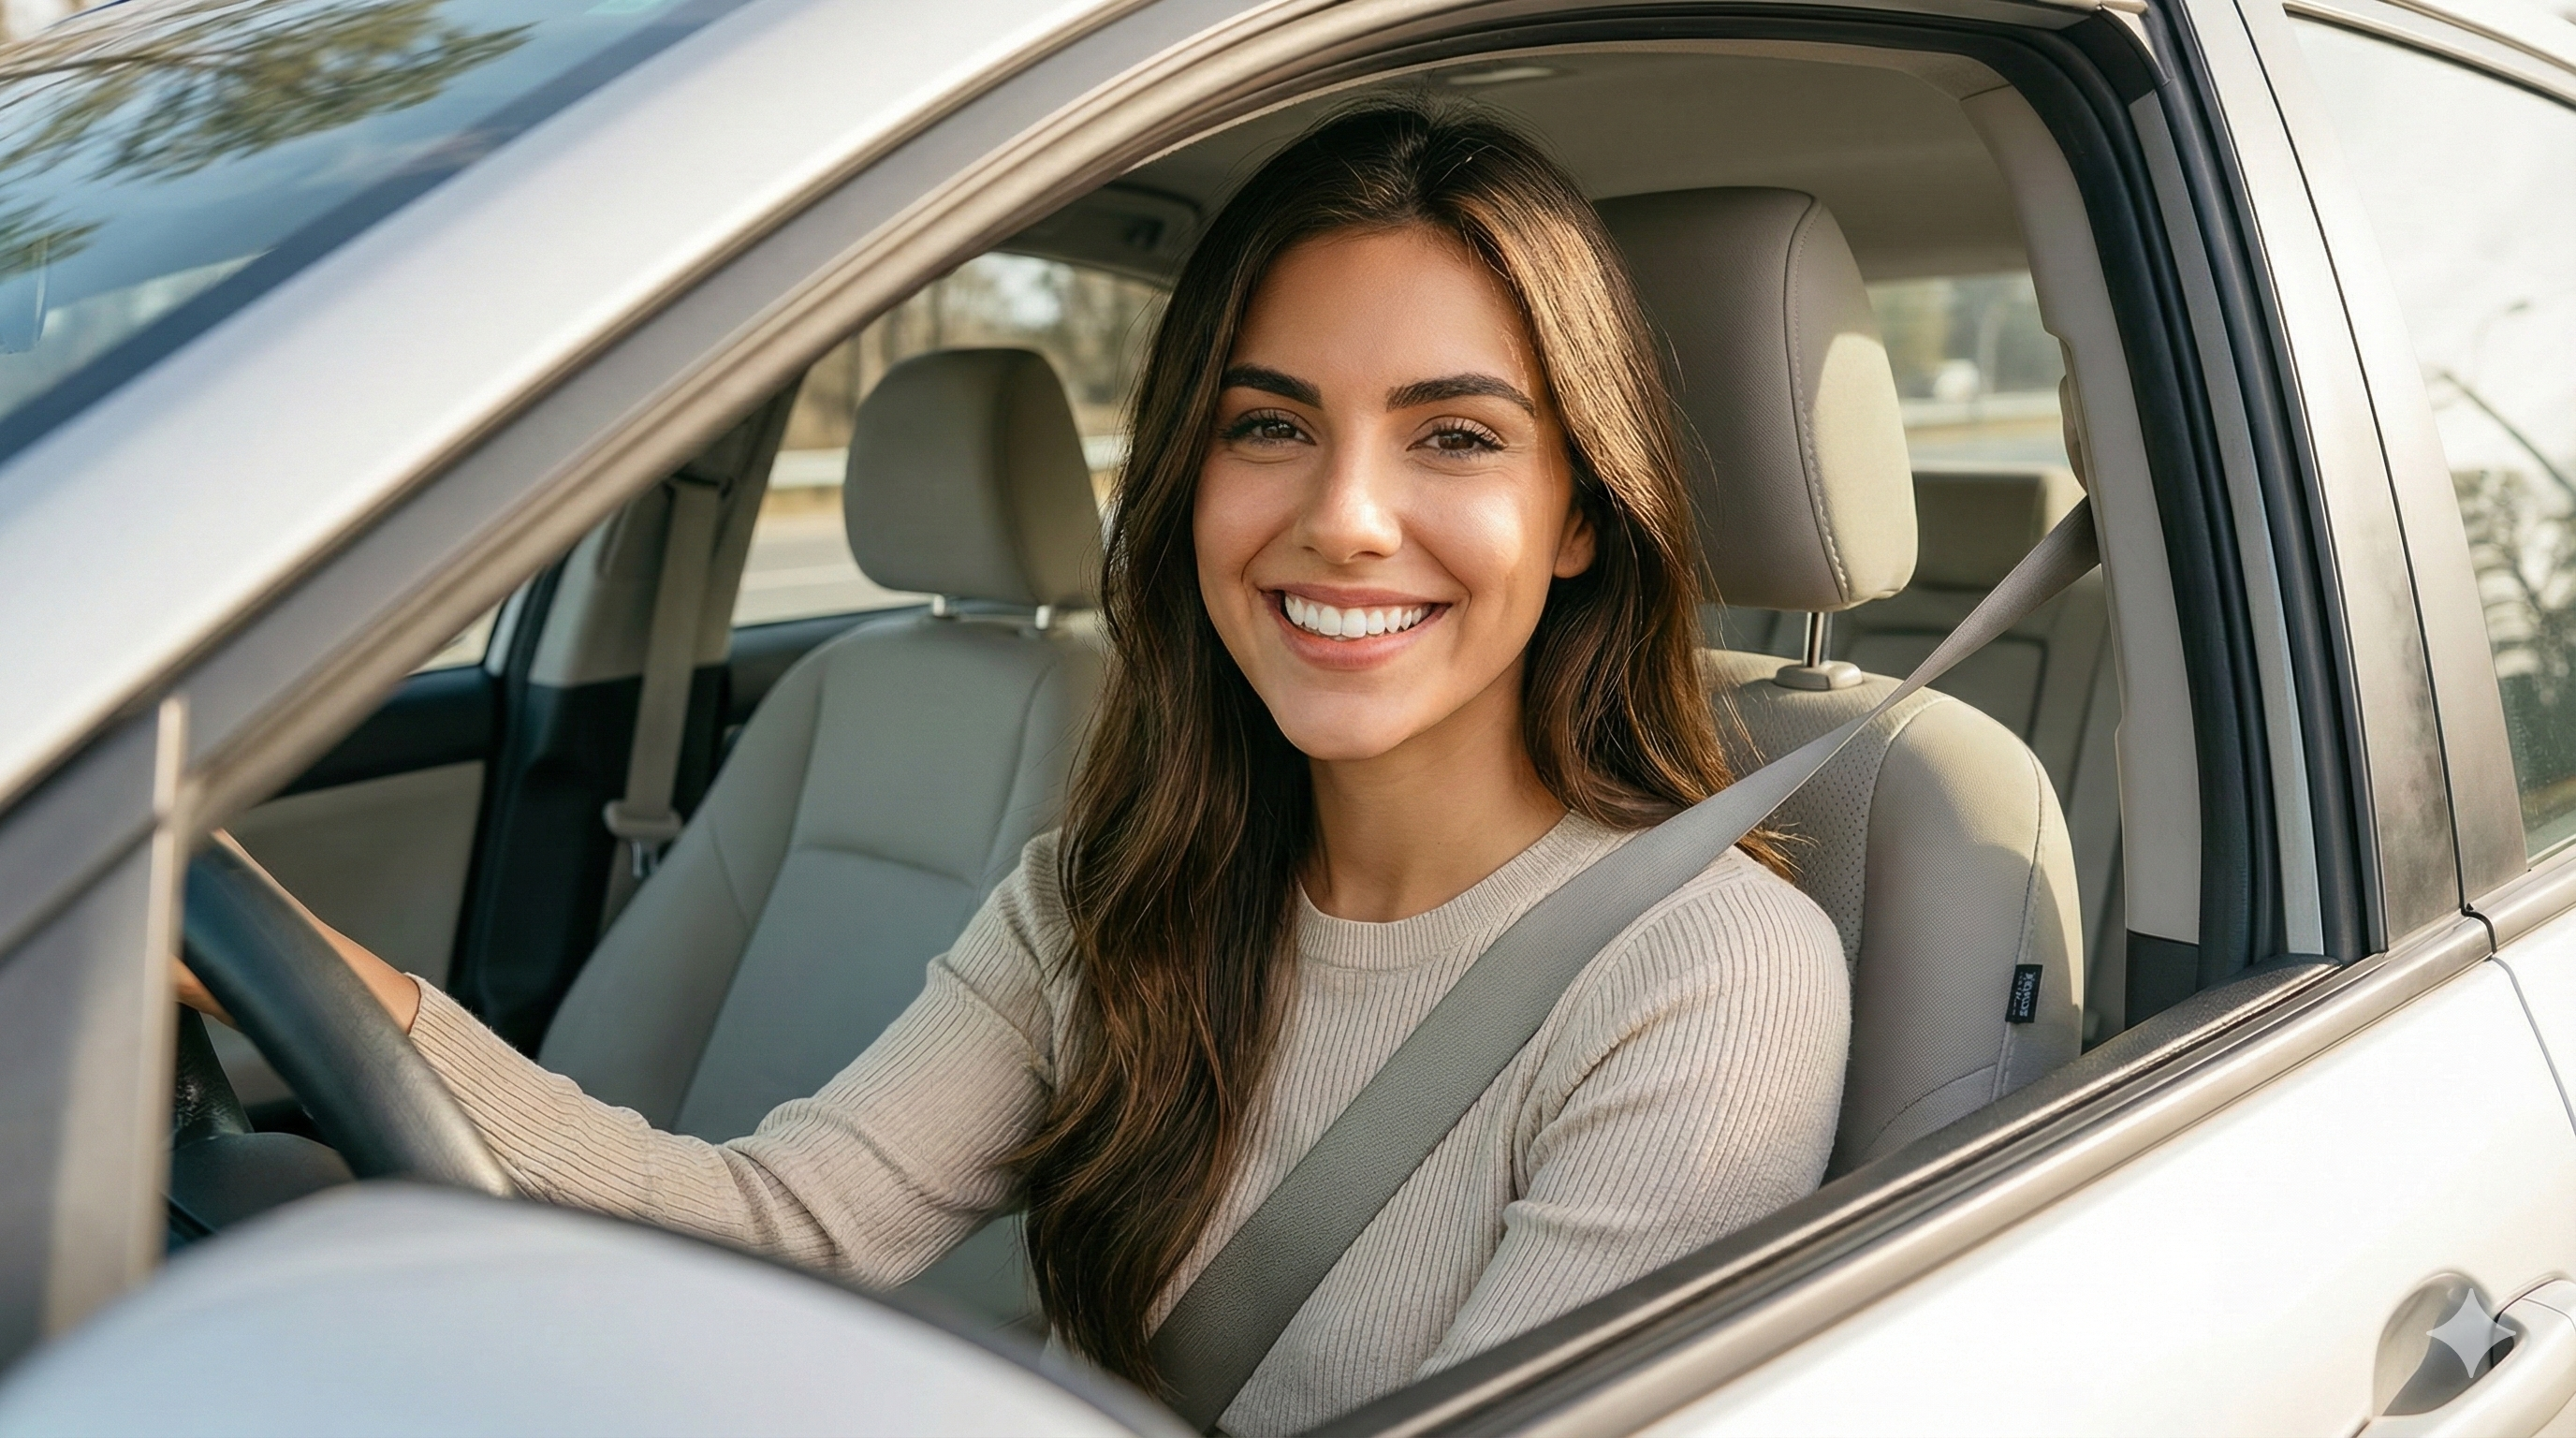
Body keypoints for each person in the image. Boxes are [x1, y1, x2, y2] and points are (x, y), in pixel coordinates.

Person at [181, 103, 1850, 1436]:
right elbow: (773, 1228)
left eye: (1456, 436)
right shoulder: (1104, 898)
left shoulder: (1704, 977)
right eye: (1269, 425)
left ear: (1579, 515)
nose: (1344, 517)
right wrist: (270, 957)